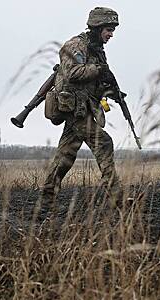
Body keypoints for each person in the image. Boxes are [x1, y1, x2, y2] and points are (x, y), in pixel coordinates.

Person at [41, 7, 122, 208]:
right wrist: (100, 70)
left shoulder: (96, 50)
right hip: (74, 108)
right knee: (103, 142)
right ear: (97, 27)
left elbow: (93, 82)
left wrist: (111, 91)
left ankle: (46, 200)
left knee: (65, 156)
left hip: (84, 108)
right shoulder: (76, 45)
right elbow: (73, 73)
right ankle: (115, 196)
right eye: (108, 29)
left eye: (113, 30)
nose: (111, 34)